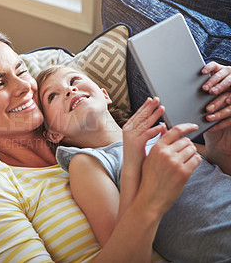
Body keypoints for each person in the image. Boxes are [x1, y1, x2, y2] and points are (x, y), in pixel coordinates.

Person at [0, 25, 231, 262]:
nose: (25, 88)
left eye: (21, 70)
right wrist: (150, 203)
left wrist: (220, 144)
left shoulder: (89, 131)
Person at [37, 64, 231, 262]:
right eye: (52, 96)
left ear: (105, 95)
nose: (70, 90)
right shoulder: (87, 161)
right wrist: (132, 162)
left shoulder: (160, 133)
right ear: (54, 134)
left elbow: (218, 173)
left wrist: (219, 146)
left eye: (73, 80)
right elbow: (121, 246)